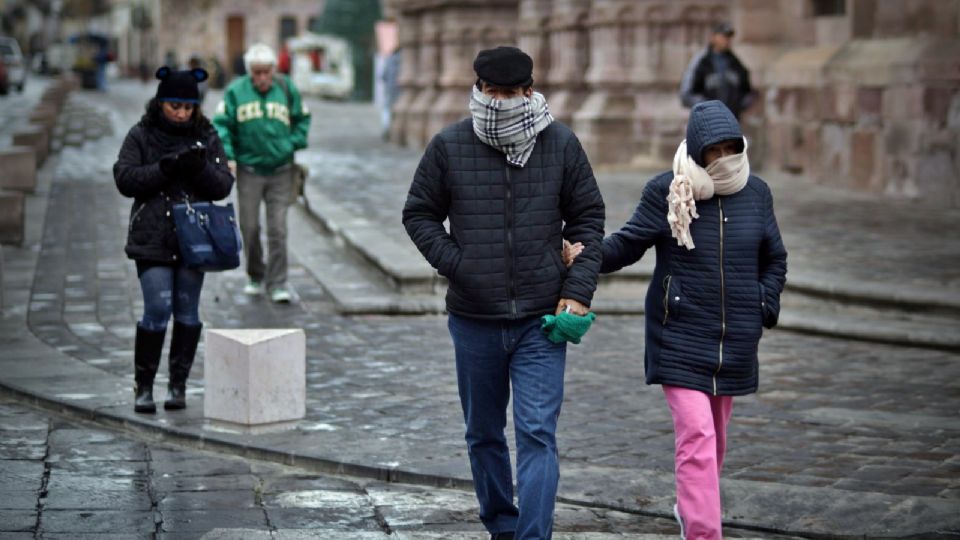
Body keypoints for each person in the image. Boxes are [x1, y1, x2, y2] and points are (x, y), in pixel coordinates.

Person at [402, 46, 605, 540]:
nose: (500, 103)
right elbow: (419, 213)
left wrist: (577, 290)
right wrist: (459, 264)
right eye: (490, 92)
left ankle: (533, 536)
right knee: (485, 435)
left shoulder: (561, 144)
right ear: (478, 90)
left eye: (510, 94)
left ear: (529, 92)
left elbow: (589, 221)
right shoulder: (449, 145)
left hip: (542, 320)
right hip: (474, 318)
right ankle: (501, 524)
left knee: (537, 433)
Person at [564, 100, 787, 540]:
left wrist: (765, 303)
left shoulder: (756, 192)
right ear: (698, 149)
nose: (724, 158)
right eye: (714, 150)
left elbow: (774, 257)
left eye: (731, 148)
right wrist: (586, 255)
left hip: (735, 339)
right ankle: (703, 532)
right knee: (698, 436)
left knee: (714, 441)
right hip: (680, 333)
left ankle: (690, 505)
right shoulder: (668, 190)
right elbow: (628, 243)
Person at [113, 66, 234, 414]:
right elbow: (124, 178)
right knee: (156, 309)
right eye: (174, 106)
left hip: (194, 237)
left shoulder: (206, 135)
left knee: (187, 311)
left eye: (187, 107)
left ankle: (178, 385)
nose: (181, 114)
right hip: (152, 234)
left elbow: (223, 184)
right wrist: (164, 168)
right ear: (161, 103)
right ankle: (144, 386)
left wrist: (197, 168)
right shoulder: (142, 134)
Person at [213, 43, 311, 303]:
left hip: (282, 171)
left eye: (266, 72)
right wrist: (229, 155)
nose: (262, 78)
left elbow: (302, 119)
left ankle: (278, 282)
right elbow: (222, 125)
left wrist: (291, 144)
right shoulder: (236, 92)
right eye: (257, 73)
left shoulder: (287, 88)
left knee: (278, 228)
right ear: (249, 72)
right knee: (250, 227)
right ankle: (255, 273)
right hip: (249, 171)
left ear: (273, 70)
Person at [679, 23, 755, 120]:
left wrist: (738, 106)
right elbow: (686, 94)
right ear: (714, 37)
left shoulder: (736, 63)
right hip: (707, 122)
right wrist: (706, 108)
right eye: (723, 36)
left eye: (729, 37)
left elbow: (747, 91)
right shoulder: (701, 62)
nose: (727, 40)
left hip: (731, 122)